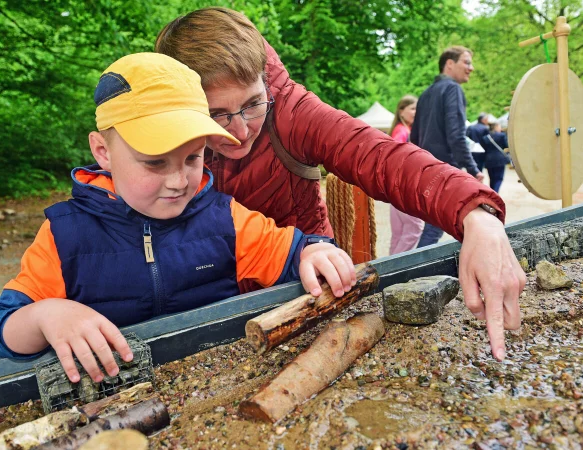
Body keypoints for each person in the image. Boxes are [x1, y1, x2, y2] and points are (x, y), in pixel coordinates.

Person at [156, 8, 524, 361]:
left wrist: (475, 213)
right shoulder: (157, 124)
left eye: (253, 104)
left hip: (306, 286)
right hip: (208, 301)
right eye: (216, 114)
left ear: (264, 79)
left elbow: (379, 157)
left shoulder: (290, 110)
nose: (240, 131)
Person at [0, 53, 357, 383]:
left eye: (193, 158)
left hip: (217, 380)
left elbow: (294, 253)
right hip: (110, 397)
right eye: (155, 162)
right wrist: (44, 316)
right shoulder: (64, 236)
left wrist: (314, 252)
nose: (178, 181)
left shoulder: (225, 218)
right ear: (102, 151)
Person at [410, 46, 485, 249]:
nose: (472, 68)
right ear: (450, 64)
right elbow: (456, 135)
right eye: (466, 62)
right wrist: (473, 169)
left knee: (440, 223)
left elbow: (414, 138)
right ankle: (417, 274)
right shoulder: (452, 89)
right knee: (438, 225)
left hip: (427, 168)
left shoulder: (425, 94)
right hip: (444, 171)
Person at [388, 95, 425, 254]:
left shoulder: (403, 129)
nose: (416, 112)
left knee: (399, 231)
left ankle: (389, 269)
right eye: (412, 108)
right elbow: (394, 156)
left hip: (395, 185)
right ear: (401, 111)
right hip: (403, 185)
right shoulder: (402, 132)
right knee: (415, 227)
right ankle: (397, 265)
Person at [480, 121, 511, 193]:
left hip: (489, 160)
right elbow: (506, 146)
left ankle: (492, 193)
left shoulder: (485, 138)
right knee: (499, 178)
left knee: (492, 179)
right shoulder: (501, 135)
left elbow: (484, 149)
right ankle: (495, 193)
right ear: (496, 127)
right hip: (500, 160)